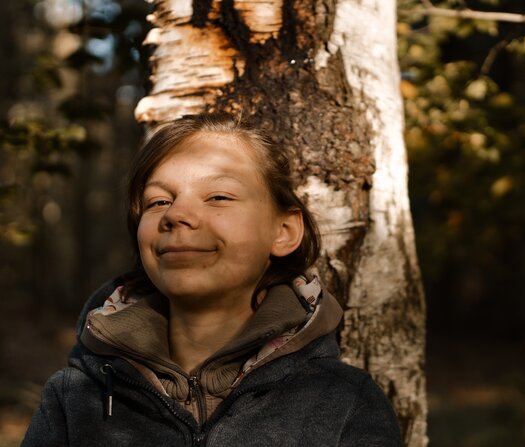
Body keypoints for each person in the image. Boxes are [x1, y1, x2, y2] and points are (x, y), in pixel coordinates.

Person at [22, 113, 402, 446]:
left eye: (218, 196)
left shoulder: (344, 401)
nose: (177, 215)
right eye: (158, 201)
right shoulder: (74, 399)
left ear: (284, 230)